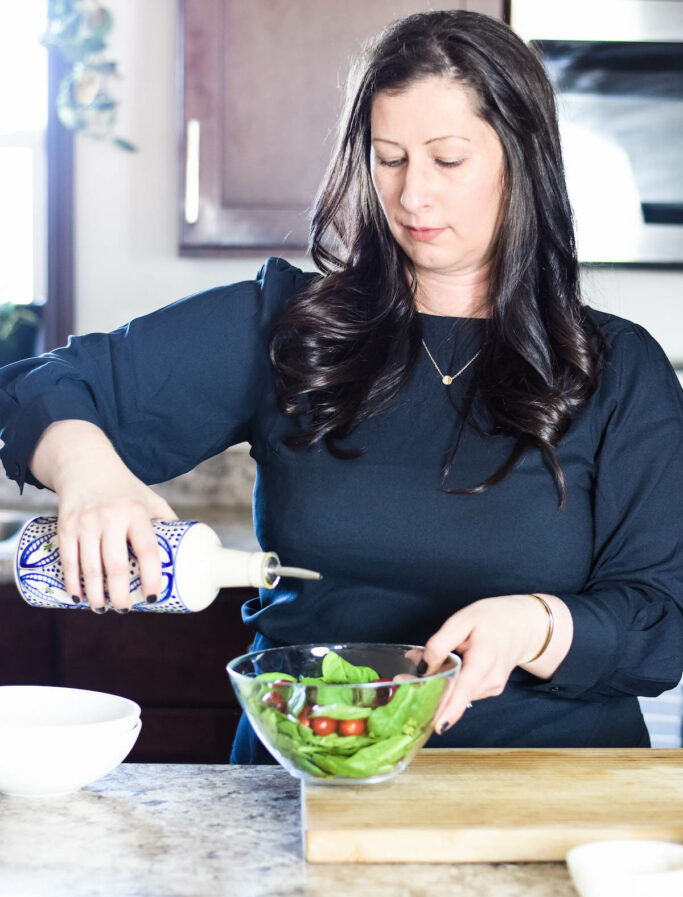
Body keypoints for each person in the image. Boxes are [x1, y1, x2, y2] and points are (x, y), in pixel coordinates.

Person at [0, 11, 681, 760]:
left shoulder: (617, 368)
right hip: (304, 776)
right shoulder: (285, 326)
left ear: (523, 161)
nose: (411, 196)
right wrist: (90, 474)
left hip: (542, 787)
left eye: (446, 161)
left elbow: (662, 626)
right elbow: (36, 387)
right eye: (388, 159)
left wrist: (540, 625)